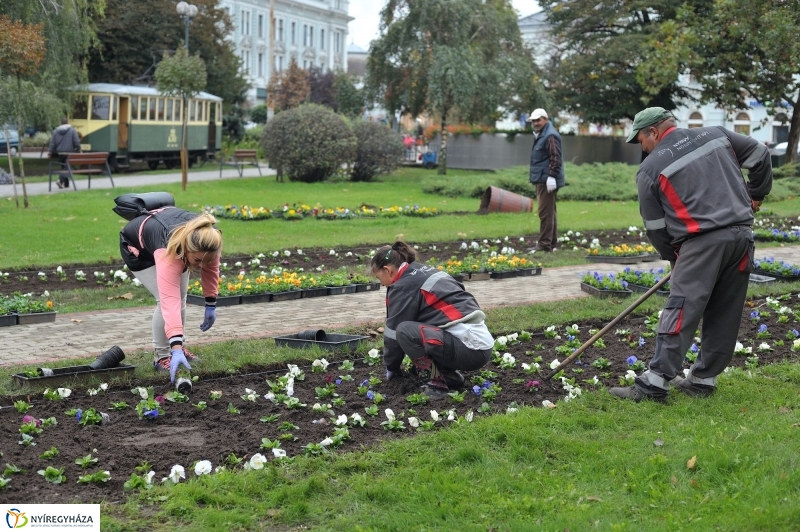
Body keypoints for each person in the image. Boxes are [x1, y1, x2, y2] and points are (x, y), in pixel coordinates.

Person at [610, 107, 772, 403]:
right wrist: (757, 194)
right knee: (725, 309)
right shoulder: (717, 134)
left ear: (654, 132)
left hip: (701, 244)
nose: (642, 148)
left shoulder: (650, 169)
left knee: (681, 308)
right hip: (741, 238)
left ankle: (654, 385)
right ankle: (703, 380)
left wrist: (673, 257)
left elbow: (656, 227)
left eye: (641, 140)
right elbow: (761, 154)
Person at [371, 241, 494, 398]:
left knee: (405, 331)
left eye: (379, 277)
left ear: (387, 270)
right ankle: (449, 377)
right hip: (480, 345)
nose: (381, 284)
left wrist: (391, 368)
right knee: (418, 329)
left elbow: (393, 334)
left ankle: (436, 386)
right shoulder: (423, 271)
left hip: (470, 350)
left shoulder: (402, 286)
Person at [120, 209, 222, 383]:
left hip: (167, 239)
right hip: (137, 249)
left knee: (181, 297)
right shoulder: (168, 250)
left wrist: (211, 303)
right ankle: (162, 356)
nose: (201, 265)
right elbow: (170, 301)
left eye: (206, 260)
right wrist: (175, 347)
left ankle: (178, 348)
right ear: (187, 249)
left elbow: (211, 270)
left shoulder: (210, 240)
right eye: (198, 260)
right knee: (165, 301)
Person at [527, 108, 565, 253]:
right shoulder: (543, 134)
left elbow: (555, 157)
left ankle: (544, 244)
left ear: (546, 119)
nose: (536, 123)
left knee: (545, 212)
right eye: (534, 121)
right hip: (543, 178)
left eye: (538, 120)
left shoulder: (550, 135)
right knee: (550, 212)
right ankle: (551, 243)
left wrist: (551, 176)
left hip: (546, 179)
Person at [48, 117, 82, 189]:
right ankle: (60, 181)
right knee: (66, 167)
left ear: (61, 123)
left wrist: (50, 152)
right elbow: (76, 141)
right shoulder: (72, 130)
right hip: (69, 152)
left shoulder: (56, 131)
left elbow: (52, 143)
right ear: (67, 122)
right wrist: (78, 149)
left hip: (60, 152)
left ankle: (66, 184)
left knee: (64, 167)